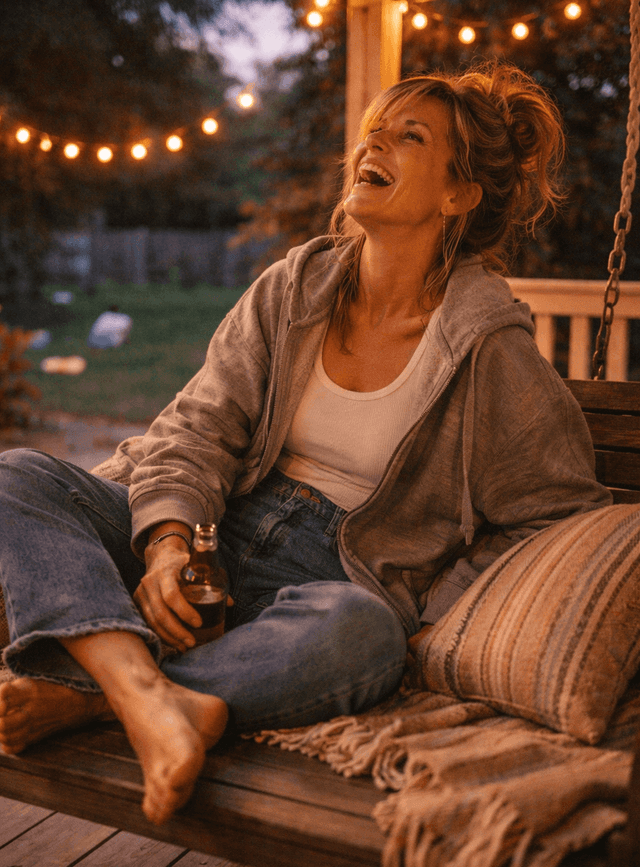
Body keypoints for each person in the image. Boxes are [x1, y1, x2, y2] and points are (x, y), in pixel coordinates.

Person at [0, 62, 611, 826]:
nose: (371, 146)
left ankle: (87, 692)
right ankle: (144, 697)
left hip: (330, 581)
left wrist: (434, 603)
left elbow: (555, 517)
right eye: (370, 133)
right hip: (212, 534)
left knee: (366, 637)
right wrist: (165, 542)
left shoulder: (491, 356)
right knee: (17, 475)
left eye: (407, 136)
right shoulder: (292, 289)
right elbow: (200, 427)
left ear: (459, 194)